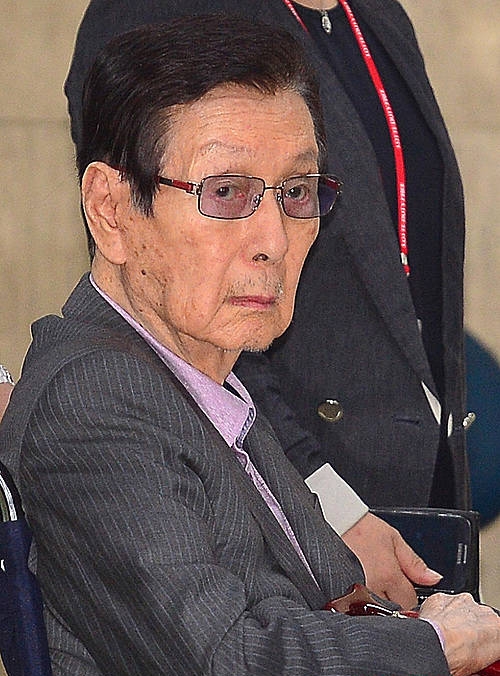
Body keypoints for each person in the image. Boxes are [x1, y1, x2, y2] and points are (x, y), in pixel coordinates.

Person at [2, 17, 499, 676]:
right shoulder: (98, 402)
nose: (274, 239)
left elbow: (327, 599)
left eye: (296, 192)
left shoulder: (202, 376)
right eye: (226, 192)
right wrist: (435, 644)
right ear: (111, 210)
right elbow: (227, 660)